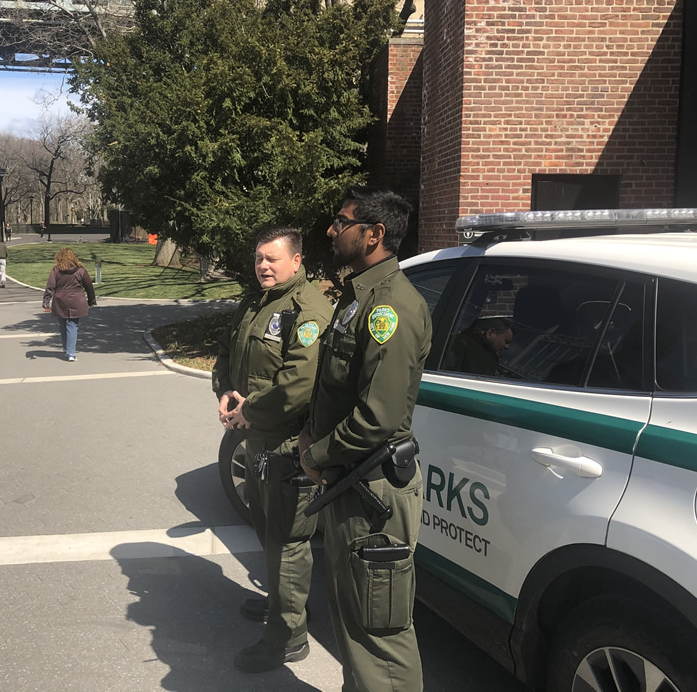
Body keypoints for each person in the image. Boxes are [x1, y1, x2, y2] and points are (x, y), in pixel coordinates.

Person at [298, 186, 432, 692]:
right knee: (354, 624)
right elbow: (337, 389)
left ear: (373, 235)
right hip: (350, 485)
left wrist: (317, 454)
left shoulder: (391, 306)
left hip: (373, 490)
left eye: (341, 222)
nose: (332, 230)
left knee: (381, 637)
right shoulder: (358, 298)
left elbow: (378, 416)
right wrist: (312, 434)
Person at [212, 226, 332, 673]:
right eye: (259, 258)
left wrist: (251, 413)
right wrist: (225, 390)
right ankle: (284, 605)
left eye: (273, 259)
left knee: (288, 543)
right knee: (267, 532)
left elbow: (299, 382)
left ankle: (288, 638)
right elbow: (227, 348)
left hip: (288, 444)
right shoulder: (255, 302)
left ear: (296, 262)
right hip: (257, 439)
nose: (264, 265)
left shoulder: (309, 310)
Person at [42, 248, 96, 361]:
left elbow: (50, 286)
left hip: (60, 300)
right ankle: (71, 353)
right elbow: (89, 286)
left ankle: (67, 349)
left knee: (63, 325)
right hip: (76, 300)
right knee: (72, 325)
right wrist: (91, 300)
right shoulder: (81, 270)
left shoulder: (56, 270)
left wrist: (46, 301)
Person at [446, 316, 512, 375]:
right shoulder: (460, 344)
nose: (507, 347)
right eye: (506, 341)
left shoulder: (488, 354)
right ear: (490, 333)